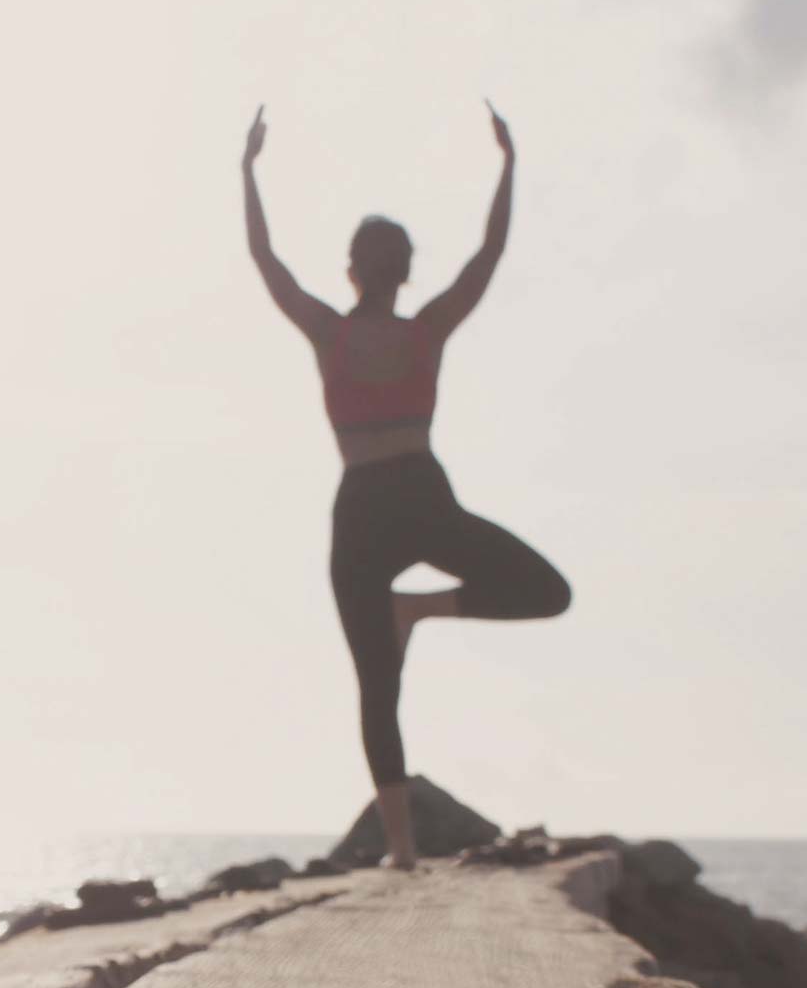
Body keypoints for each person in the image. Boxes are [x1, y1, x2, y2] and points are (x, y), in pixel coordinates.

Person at [242, 102, 569, 867]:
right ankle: (420, 609)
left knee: (375, 683)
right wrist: (508, 168)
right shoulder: (426, 331)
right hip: (422, 496)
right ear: (407, 270)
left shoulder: (331, 332)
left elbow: (267, 263)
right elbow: (488, 256)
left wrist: (247, 172)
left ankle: (401, 849)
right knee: (546, 590)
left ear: (352, 269)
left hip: (361, 506)